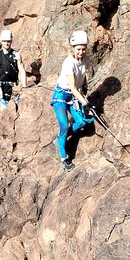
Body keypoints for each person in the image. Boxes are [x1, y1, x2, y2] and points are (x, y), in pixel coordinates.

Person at [50, 30, 95, 171]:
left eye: (83, 49)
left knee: (81, 121)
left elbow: (83, 75)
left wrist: (85, 87)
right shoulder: (69, 63)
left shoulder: (86, 59)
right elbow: (73, 87)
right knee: (64, 125)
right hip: (62, 96)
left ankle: (61, 139)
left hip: (73, 96)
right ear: (73, 49)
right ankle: (64, 158)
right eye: (78, 49)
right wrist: (85, 103)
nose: (81, 52)